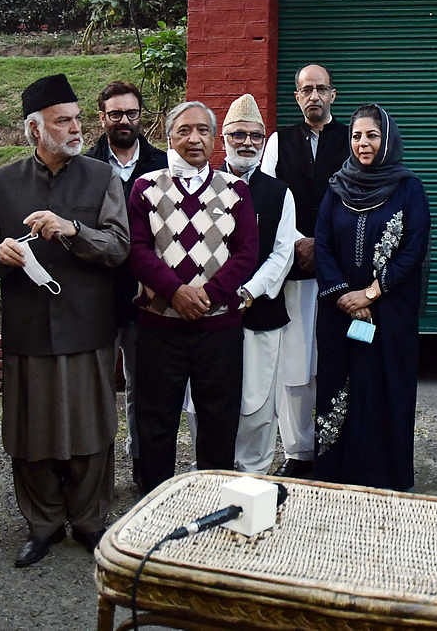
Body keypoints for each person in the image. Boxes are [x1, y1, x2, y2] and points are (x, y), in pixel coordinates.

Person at [0, 74, 130, 567]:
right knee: (30, 433)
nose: (77, 127)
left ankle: (88, 521)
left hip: (88, 327)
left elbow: (119, 246)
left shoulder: (103, 178)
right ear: (35, 130)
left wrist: (74, 229)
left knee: (90, 430)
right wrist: (2, 252)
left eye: (79, 118)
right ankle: (41, 526)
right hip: (29, 330)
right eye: (64, 120)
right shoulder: (3, 182)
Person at [127, 101, 259, 492]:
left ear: (215, 138)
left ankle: (212, 502)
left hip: (219, 326)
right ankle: (155, 501)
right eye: (184, 130)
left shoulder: (235, 190)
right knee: (156, 420)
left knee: (219, 419)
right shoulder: (146, 188)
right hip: (159, 327)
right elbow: (137, 248)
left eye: (203, 130)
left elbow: (247, 252)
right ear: (169, 137)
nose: (194, 138)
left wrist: (205, 295)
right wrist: (174, 291)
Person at [313, 104, 430, 490]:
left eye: (372, 135)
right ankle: (336, 472)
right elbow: (323, 245)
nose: (364, 143)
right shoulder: (336, 187)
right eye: (357, 136)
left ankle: (386, 476)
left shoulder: (408, 188)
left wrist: (372, 292)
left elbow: (415, 249)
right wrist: (344, 294)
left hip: (389, 314)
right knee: (340, 383)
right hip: (339, 312)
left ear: (388, 139)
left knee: (384, 386)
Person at [183, 94, 296, 473]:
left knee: (258, 404)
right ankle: (210, 477)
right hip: (207, 315)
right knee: (204, 401)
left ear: (264, 142)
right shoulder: (200, 186)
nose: (247, 142)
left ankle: (254, 479)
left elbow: (283, 253)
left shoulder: (280, 193)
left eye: (255, 136)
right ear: (223, 139)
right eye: (238, 135)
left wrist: (249, 290)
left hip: (259, 311)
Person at [259, 64, 348, 478]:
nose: (313, 96)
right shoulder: (280, 141)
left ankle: (337, 446)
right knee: (294, 365)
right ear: (297, 97)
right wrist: (297, 240)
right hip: (293, 266)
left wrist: (324, 245)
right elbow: (269, 193)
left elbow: (357, 196)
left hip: (340, 269)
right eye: (305, 90)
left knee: (334, 358)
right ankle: (298, 452)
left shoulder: (351, 137)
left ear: (333, 94)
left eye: (320, 89)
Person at [84, 80, 167, 488]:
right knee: (98, 393)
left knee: (142, 391)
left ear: (141, 116)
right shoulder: (84, 166)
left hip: (146, 297)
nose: (123, 121)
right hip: (98, 297)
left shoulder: (164, 165)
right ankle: (98, 479)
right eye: (115, 114)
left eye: (131, 113)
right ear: (102, 117)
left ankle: (142, 473)